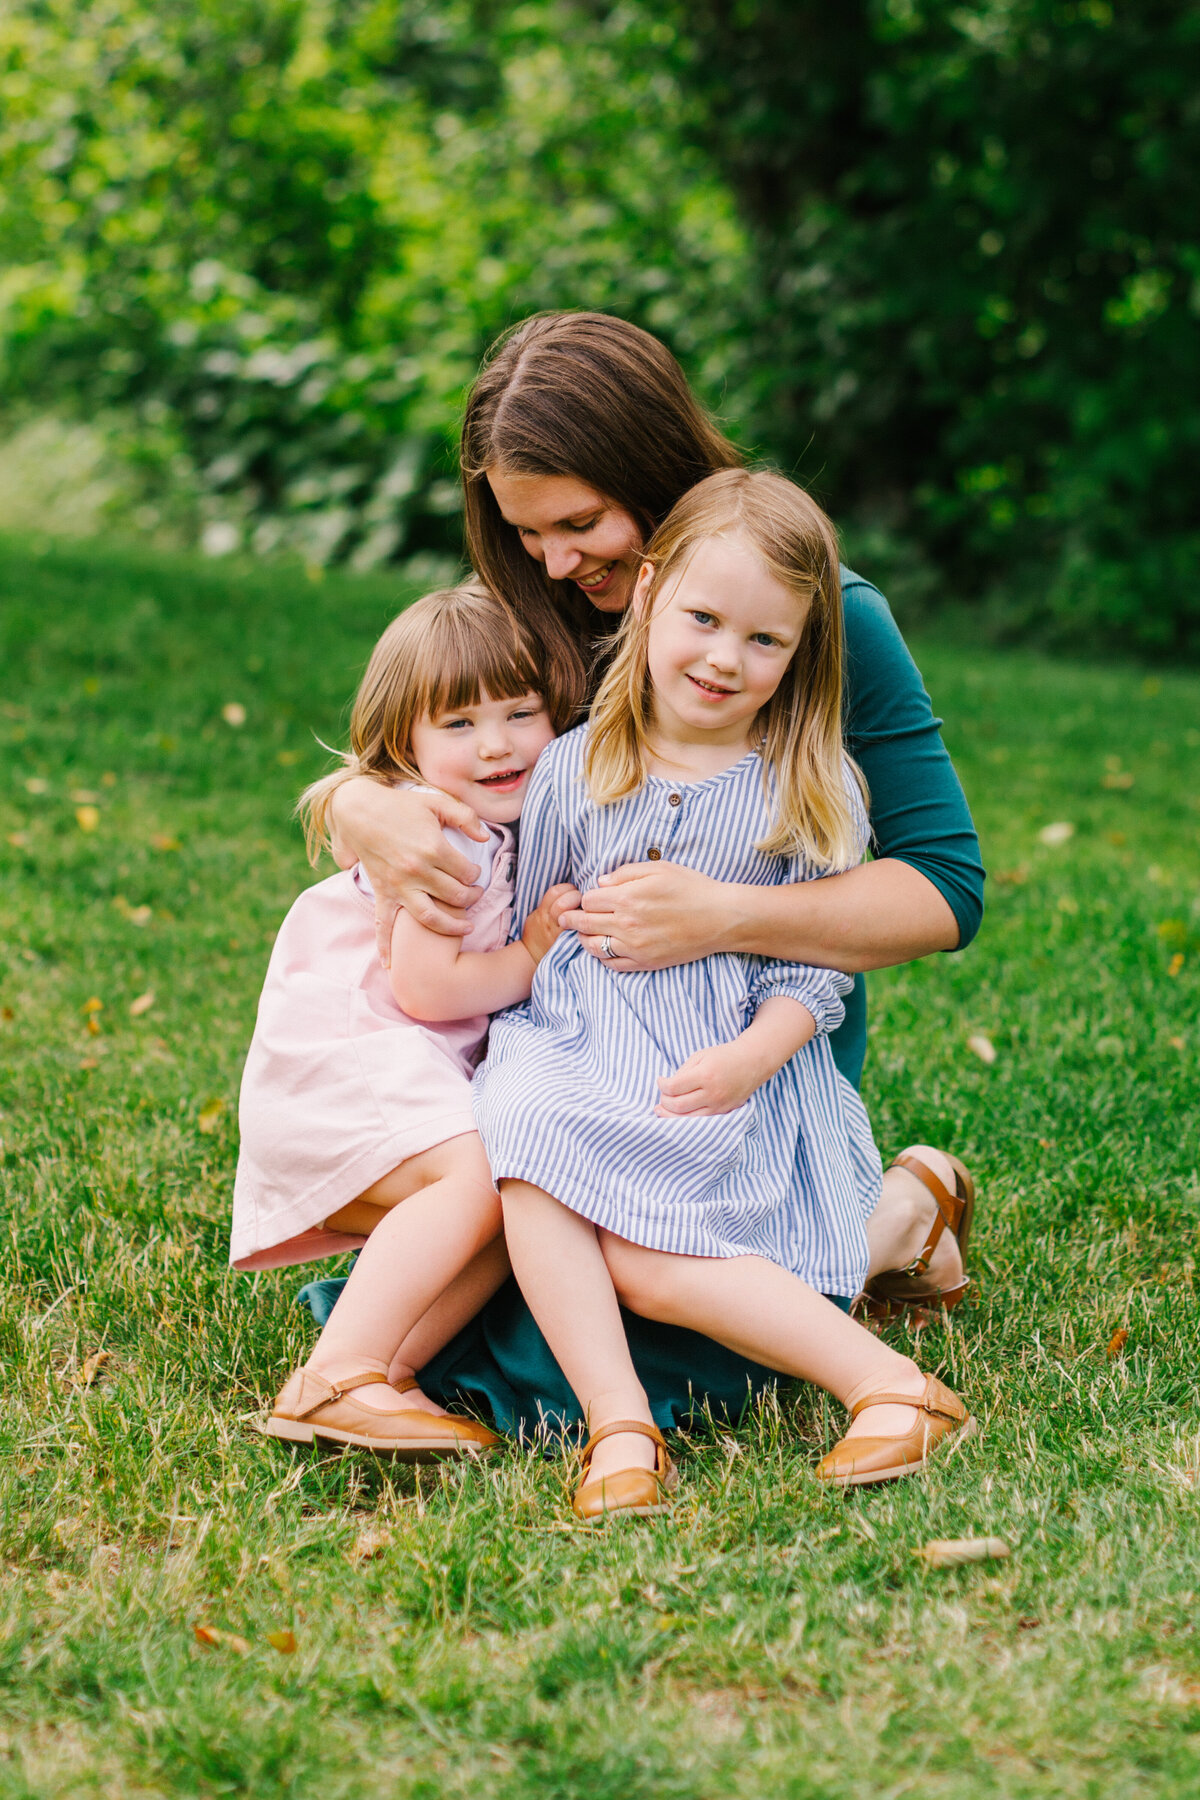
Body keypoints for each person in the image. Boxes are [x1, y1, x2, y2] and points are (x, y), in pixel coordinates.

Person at [324, 312, 985, 1430]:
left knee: (611, 1361)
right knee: (473, 1289)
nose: (554, 560)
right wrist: (357, 804)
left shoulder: (814, 612)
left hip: (738, 1023)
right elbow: (430, 732)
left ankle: (883, 1221)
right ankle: (883, 1226)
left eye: (578, 523)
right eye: (528, 534)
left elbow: (944, 890)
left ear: (651, 466)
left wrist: (722, 912)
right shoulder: (548, 602)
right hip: (569, 1032)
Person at [474, 469, 973, 1518]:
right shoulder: (570, 766)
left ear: (801, 653)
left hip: (721, 1062)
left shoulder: (806, 786)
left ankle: (892, 1389)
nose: (723, 659)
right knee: (526, 1145)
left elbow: (816, 969)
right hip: (577, 1047)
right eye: (703, 618)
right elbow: (535, 910)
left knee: (652, 1265)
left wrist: (754, 1056)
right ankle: (622, 1429)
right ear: (651, 594)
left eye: (764, 642)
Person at [231, 584, 579, 1457]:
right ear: (406, 746)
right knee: (476, 1183)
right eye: (458, 725)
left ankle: (376, 1374)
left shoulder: (487, 823)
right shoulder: (445, 837)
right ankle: (339, 1370)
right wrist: (532, 955)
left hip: (383, 1069)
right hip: (359, 1063)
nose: (495, 743)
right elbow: (428, 990)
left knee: (509, 1199)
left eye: (520, 712)